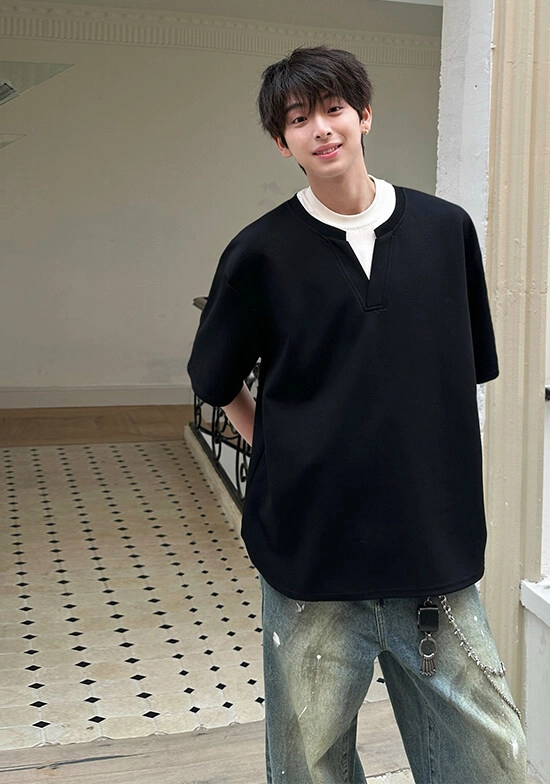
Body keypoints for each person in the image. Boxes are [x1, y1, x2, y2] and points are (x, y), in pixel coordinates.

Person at [188, 46, 525, 784]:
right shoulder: (260, 252)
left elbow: (464, 371)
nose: (321, 129)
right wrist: (278, 451)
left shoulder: (445, 230)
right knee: (310, 762)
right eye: (298, 120)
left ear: (364, 115)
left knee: (491, 757)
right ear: (282, 142)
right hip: (311, 546)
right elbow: (213, 380)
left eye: (334, 109)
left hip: (429, 544)